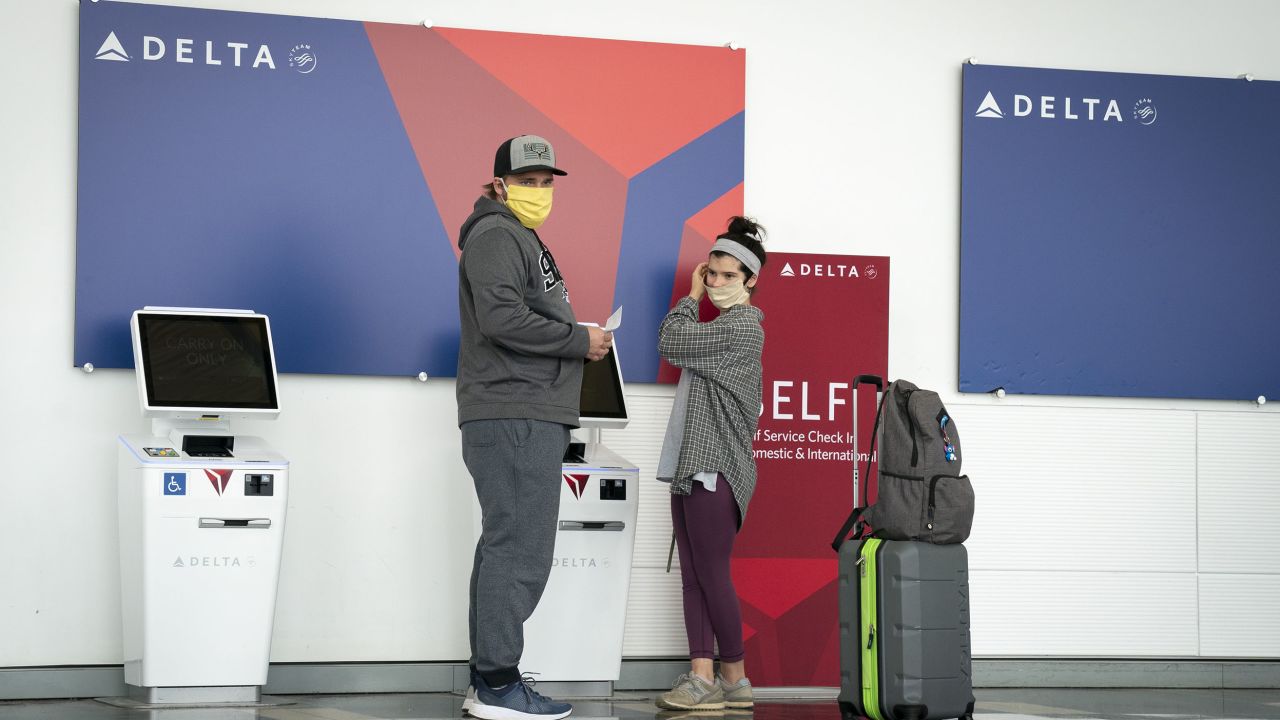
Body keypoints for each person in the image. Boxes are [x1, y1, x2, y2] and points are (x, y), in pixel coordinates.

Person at [455, 134, 612, 720]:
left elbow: (516, 314)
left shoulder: (515, 235)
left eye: (547, 182)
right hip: (514, 411)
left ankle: (491, 679)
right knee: (520, 549)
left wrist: (578, 340)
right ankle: (498, 686)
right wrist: (579, 339)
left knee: (504, 546)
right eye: (528, 182)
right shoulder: (498, 234)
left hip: (519, 410)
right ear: (499, 183)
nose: (540, 192)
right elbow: (500, 318)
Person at [654, 217, 767, 712]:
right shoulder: (720, 326)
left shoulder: (741, 329)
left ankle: (734, 676)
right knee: (694, 575)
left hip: (716, 467)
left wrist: (689, 294)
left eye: (728, 276)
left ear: (750, 281)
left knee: (712, 574)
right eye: (713, 274)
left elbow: (671, 341)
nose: (717, 283)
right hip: (692, 464)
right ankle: (706, 677)